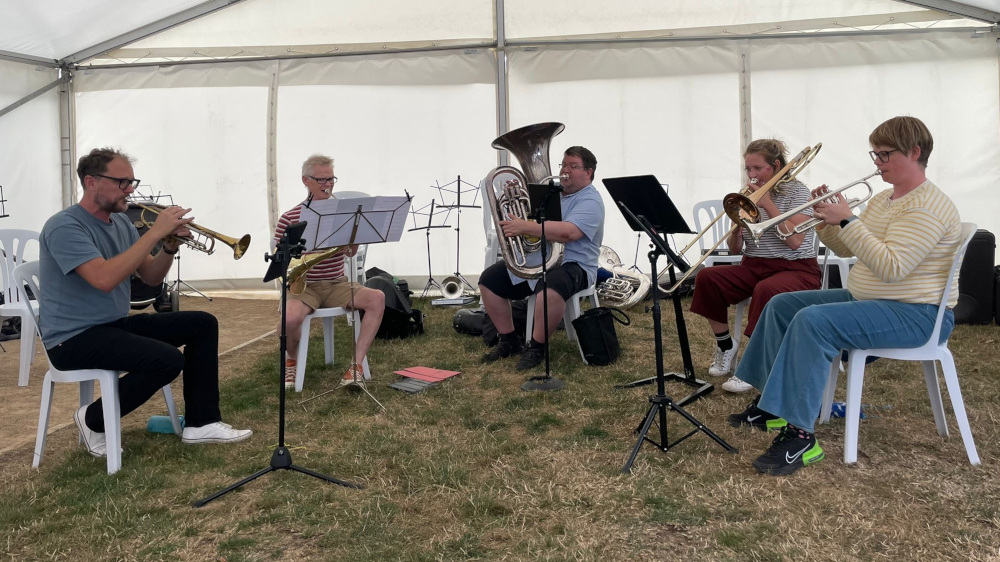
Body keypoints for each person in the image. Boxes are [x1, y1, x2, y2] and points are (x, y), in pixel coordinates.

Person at [728, 116, 962, 476]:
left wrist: (849, 221)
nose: (877, 163)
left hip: (918, 313)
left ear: (914, 152)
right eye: (875, 154)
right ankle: (772, 407)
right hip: (872, 302)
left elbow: (892, 267)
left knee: (812, 321)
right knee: (782, 305)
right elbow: (848, 248)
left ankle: (800, 436)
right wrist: (828, 223)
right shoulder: (885, 199)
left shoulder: (928, 206)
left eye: (885, 155)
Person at [39, 147, 252, 459]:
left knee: (202, 324)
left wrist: (169, 246)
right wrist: (153, 235)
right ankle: (92, 419)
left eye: (132, 182)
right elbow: (103, 279)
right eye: (122, 182)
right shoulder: (65, 226)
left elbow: (151, 278)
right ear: (92, 182)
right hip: (71, 338)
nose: (131, 190)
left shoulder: (122, 224)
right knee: (166, 360)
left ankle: (201, 423)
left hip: (112, 325)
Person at [690, 139, 822, 393]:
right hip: (754, 265)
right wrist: (737, 233)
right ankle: (725, 345)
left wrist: (769, 205)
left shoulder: (798, 193)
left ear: (775, 165)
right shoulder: (747, 194)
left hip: (796, 268)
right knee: (708, 277)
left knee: (766, 289)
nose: (751, 175)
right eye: (748, 169)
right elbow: (736, 250)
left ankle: (753, 366)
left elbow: (795, 241)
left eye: (757, 168)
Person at [479, 146, 605, 371]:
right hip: (539, 258)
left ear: (589, 172)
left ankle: (536, 347)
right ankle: (509, 340)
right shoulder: (549, 192)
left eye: (573, 166)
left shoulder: (590, 200)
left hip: (575, 264)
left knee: (550, 288)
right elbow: (527, 222)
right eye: (564, 165)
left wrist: (526, 226)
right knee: (489, 280)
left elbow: (570, 233)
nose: (565, 170)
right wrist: (515, 198)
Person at [275, 154, 385, 389]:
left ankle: (354, 368)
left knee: (377, 298)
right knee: (289, 320)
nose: (328, 185)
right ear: (306, 180)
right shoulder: (289, 217)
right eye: (322, 180)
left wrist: (354, 234)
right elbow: (280, 260)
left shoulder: (343, 214)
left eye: (331, 179)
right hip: (305, 285)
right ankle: (291, 361)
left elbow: (350, 253)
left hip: (337, 283)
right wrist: (300, 256)